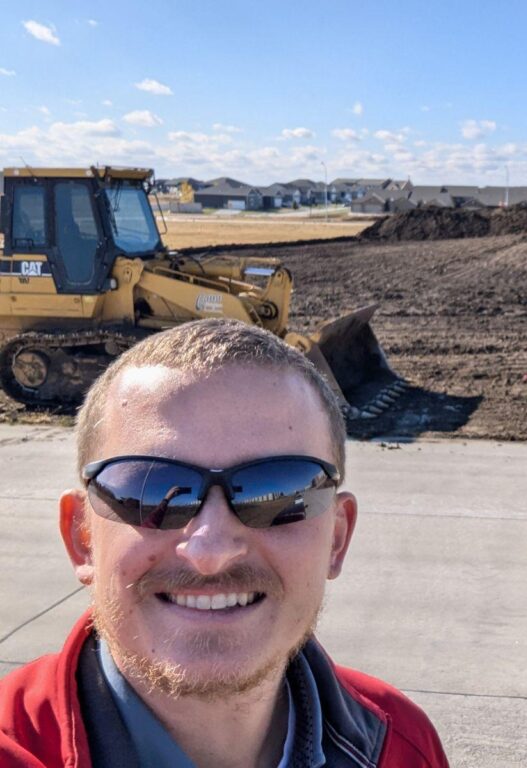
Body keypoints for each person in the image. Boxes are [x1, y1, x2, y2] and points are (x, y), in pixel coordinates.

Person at [0, 319, 449, 768]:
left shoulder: (401, 745)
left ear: (337, 537)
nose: (210, 551)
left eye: (276, 492)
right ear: (82, 537)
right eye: (150, 491)